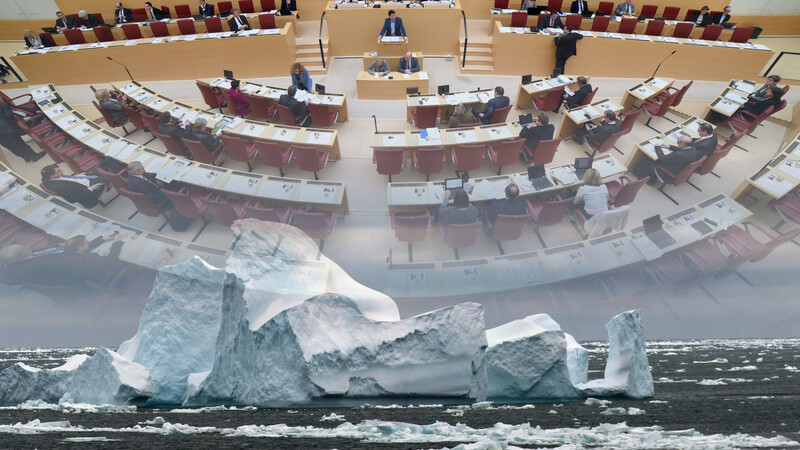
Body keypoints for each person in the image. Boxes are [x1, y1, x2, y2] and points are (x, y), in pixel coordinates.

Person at [0, 233, 128, 288]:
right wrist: (117, 243)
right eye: (23, 248)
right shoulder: (70, 262)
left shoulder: (26, 256)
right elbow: (110, 263)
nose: (28, 246)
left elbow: (71, 251)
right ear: (16, 260)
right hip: (89, 274)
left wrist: (101, 240)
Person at [41, 164, 107, 208]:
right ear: (52, 176)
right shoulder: (60, 187)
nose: (62, 170)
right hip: (89, 188)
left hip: (83, 180)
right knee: (108, 173)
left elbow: (67, 181)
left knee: (104, 163)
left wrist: (76, 177)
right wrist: (91, 189)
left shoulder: (49, 178)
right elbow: (73, 199)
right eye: (59, 171)